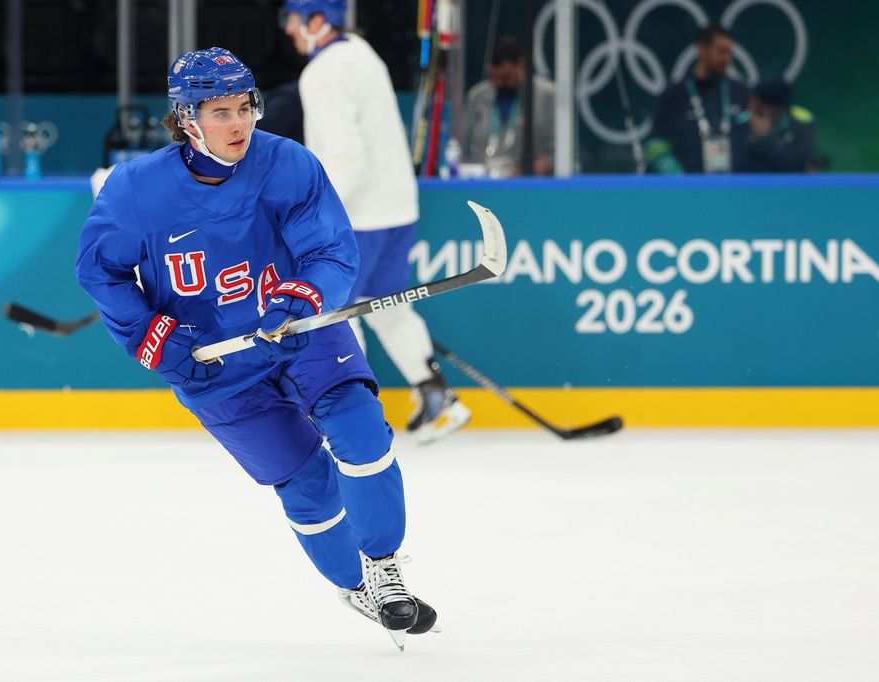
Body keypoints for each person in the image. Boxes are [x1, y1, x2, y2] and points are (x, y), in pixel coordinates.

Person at [74, 47, 437, 650]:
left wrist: (304, 295)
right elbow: (100, 272)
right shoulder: (136, 190)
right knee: (307, 482)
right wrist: (153, 338)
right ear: (186, 118)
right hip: (215, 369)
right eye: (221, 112)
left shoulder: (288, 163)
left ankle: (384, 565)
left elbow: (330, 250)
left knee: (361, 427)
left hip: (300, 334)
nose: (239, 123)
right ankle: (355, 585)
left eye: (246, 107)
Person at [282, 0, 471, 444]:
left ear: (316, 21)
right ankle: (436, 396)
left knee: (337, 315)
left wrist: (316, 216)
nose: (288, 28)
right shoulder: (363, 53)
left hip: (359, 215)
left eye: (292, 18)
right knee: (389, 307)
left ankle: (353, 414)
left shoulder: (323, 71)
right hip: (396, 207)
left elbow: (346, 155)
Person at [647, 24, 749, 174]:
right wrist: (675, 175)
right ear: (702, 49)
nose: (727, 59)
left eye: (729, 53)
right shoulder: (674, 96)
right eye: (721, 51)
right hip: (688, 185)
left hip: (735, 184)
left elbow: (754, 138)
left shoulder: (741, 92)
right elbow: (656, 143)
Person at [462, 34, 556, 177]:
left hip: (530, 184)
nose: (498, 83)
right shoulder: (476, 96)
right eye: (493, 77)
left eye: (505, 78)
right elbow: (461, 150)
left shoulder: (547, 95)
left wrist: (522, 174)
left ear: (521, 65)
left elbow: (558, 153)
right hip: (483, 183)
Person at [738, 76, 816, 173]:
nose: (751, 106)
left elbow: (799, 163)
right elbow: (737, 162)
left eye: (757, 103)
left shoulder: (802, 123)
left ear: (777, 109)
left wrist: (764, 139)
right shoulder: (741, 121)